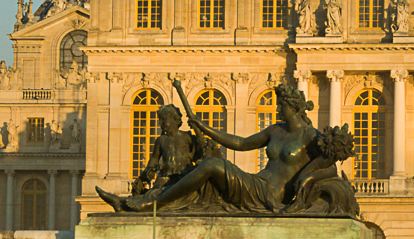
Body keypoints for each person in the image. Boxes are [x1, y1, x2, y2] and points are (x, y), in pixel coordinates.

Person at [97, 80, 357, 216]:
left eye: (282, 105)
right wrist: (206, 128)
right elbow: (241, 143)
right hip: (255, 184)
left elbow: (327, 164)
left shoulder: (311, 137)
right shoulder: (275, 130)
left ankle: (145, 206)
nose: (278, 108)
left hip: (269, 195)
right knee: (203, 171)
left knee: (210, 166)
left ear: (293, 106)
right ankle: (140, 202)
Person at [126, 104, 217, 197]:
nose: (160, 122)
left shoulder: (187, 137)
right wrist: (144, 174)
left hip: (184, 174)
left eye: (163, 119)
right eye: (159, 120)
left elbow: (200, 149)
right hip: (166, 174)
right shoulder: (161, 140)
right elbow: (154, 159)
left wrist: (199, 136)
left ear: (175, 120)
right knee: (152, 194)